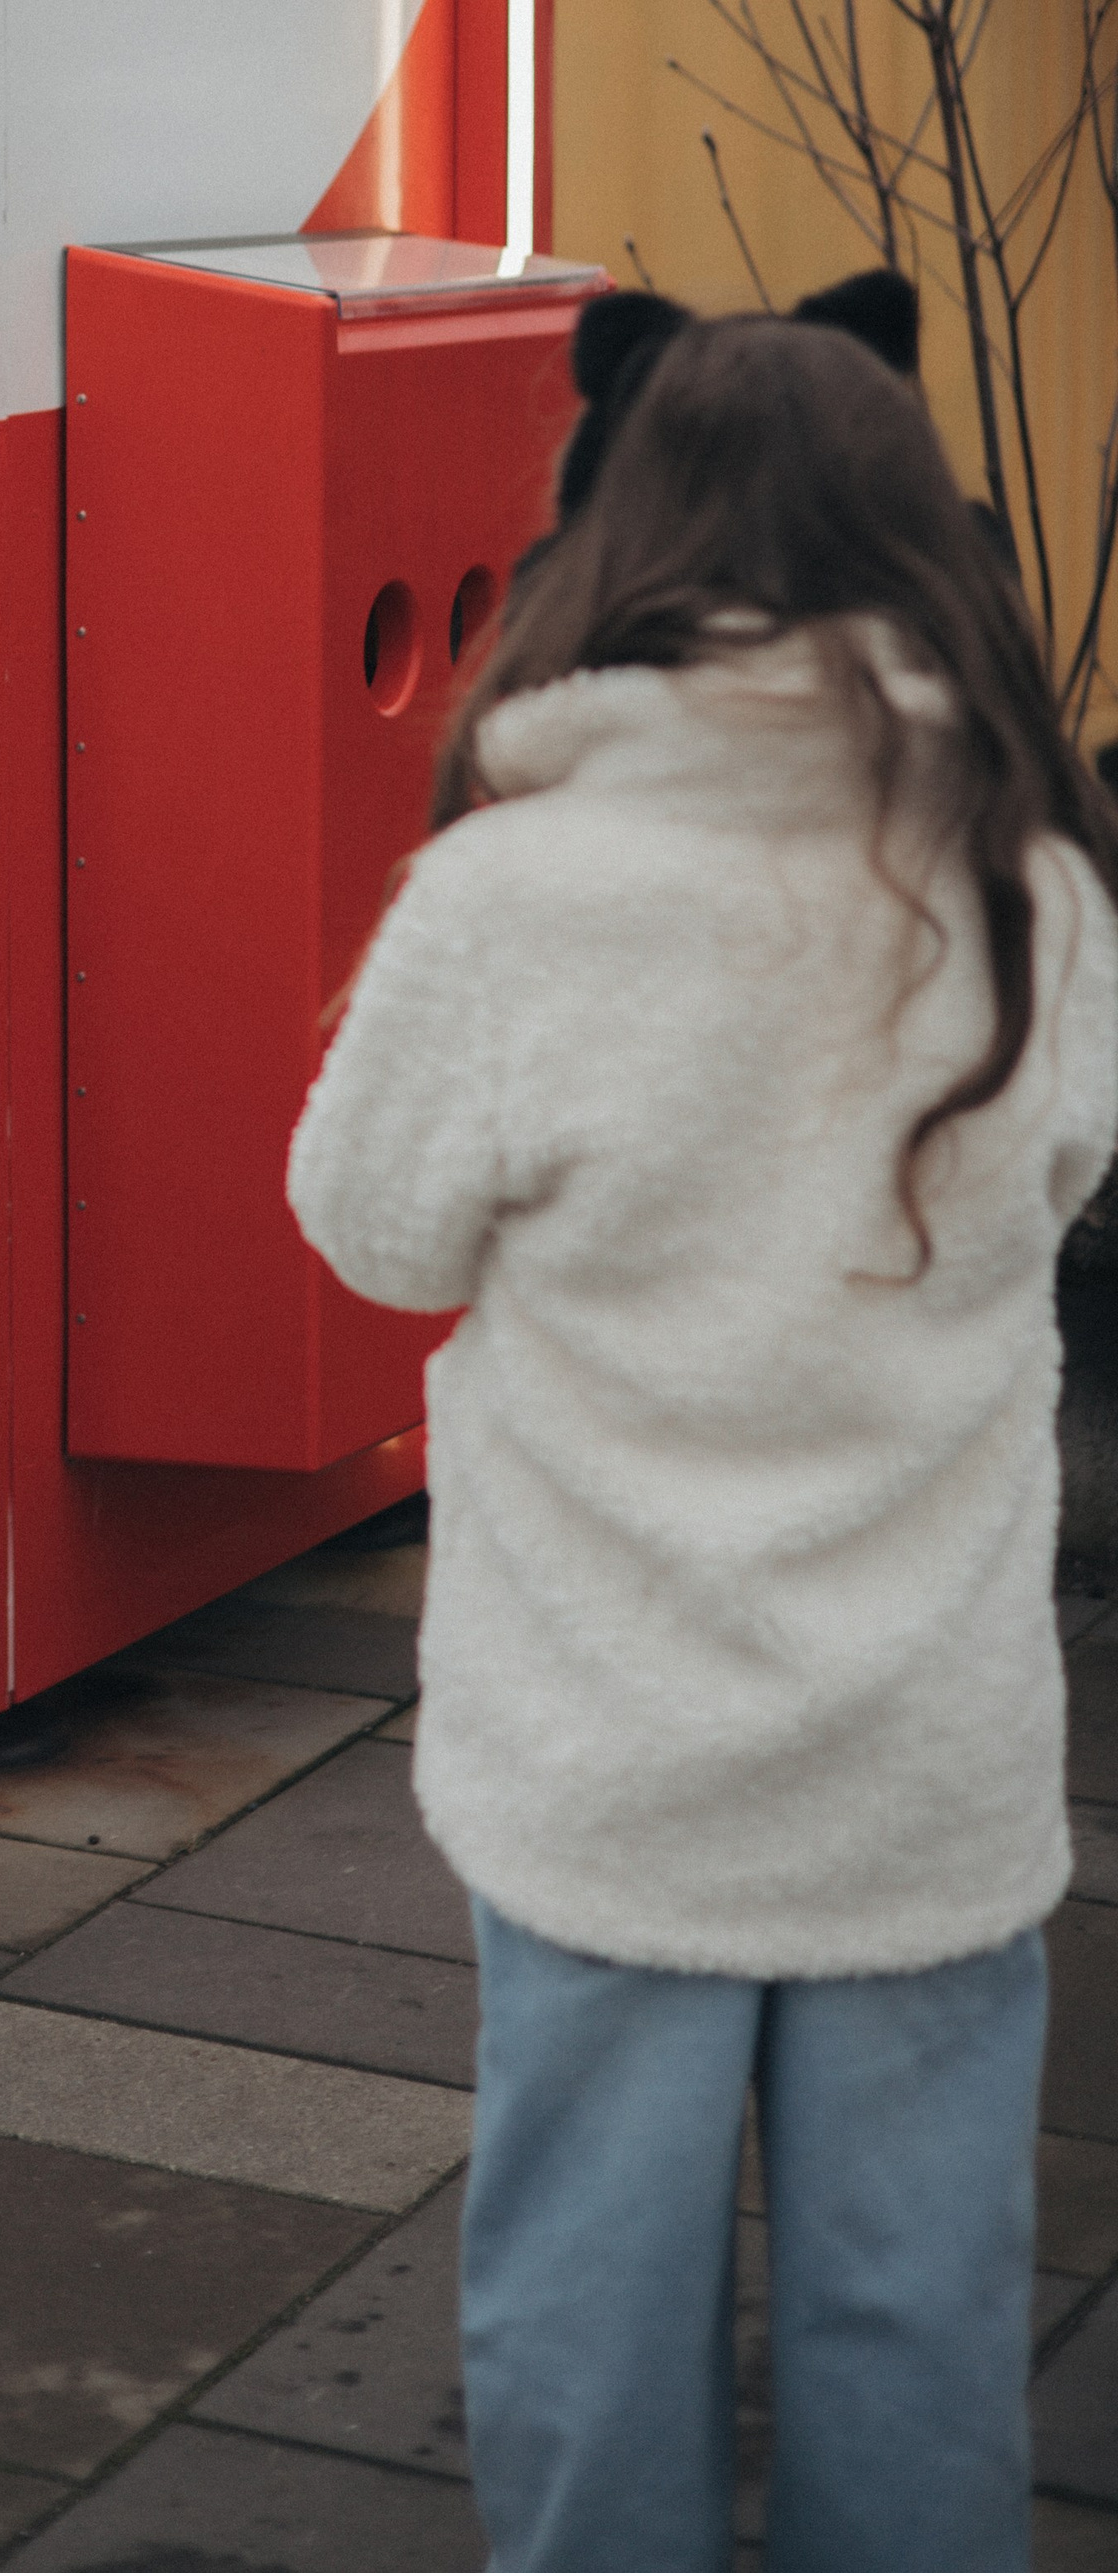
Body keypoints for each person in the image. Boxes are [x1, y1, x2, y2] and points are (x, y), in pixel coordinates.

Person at [287, 306, 1118, 2573]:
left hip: (607, 1756)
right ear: (908, 535)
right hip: (917, 1755)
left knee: (583, 2310)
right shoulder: (1026, 885)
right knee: (916, 2324)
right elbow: (1055, 1180)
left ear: (616, 533)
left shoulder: (508, 890)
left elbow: (366, 1228)